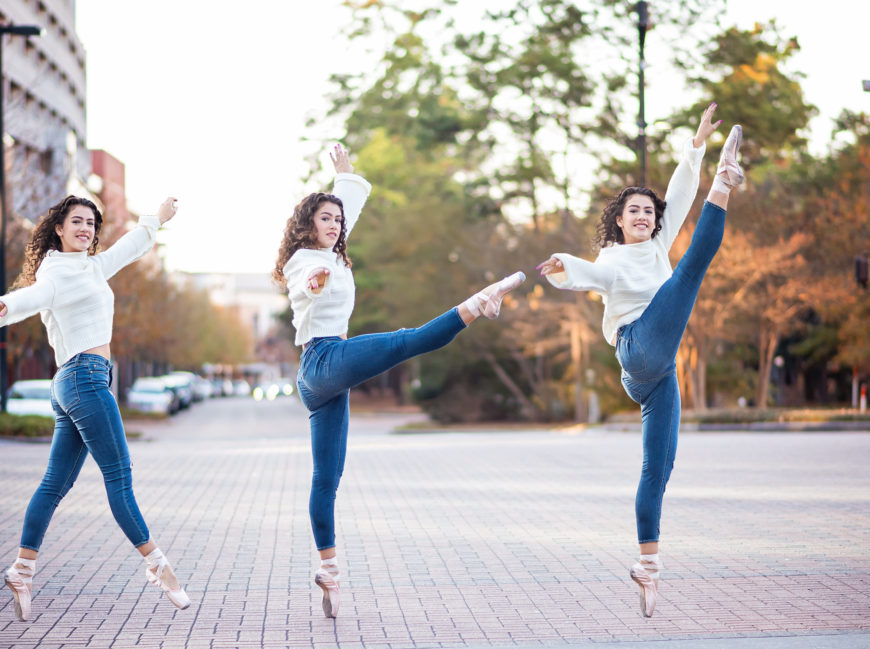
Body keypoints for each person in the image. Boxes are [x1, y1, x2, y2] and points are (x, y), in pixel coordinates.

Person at [273, 143, 526, 618]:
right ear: (306, 225)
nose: (332, 225)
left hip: (325, 378)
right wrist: (317, 281)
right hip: (323, 360)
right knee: (408, 341)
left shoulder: (336, 253)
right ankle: (478, 303)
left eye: (335, 219)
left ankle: (328, 573)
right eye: (323, 218)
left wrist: (345, 172)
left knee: (327, 478)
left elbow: (348, 212)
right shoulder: (305, 261)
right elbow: (310, 277)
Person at [536, 104, 744, 617]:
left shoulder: (657, 243)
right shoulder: (611, 259)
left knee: (660, 468)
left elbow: (677, 191)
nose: (645, 216)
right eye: (634, 211)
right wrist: (565, 266)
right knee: (690, 271)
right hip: (637, 346)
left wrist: (696, 144)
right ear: (619, 221)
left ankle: (647, 568)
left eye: (649, 212)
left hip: (656, 375)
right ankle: (727, 181)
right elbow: (590, 274)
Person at [0, 195, 191, 621]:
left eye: (91, 224)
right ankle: (158, 565)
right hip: (84, 378)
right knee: (119, 479)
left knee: (55, 484)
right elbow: (32, 297)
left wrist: (156, 221)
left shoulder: (90, 268)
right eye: (77, 221)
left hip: (73, 382)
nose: (86, 229)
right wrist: (2, 307)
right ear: (58, 228)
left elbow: (126, 249)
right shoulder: (56, 273)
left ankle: (22, 570)